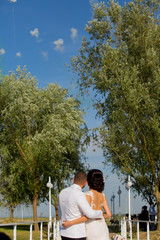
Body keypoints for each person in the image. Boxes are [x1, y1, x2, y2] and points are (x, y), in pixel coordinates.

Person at [62, 169, 111, 240]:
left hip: (91, 228)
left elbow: (87, 216)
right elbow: (109, 214)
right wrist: (98, 215)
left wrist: (70, 223)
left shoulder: (87, 195)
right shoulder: (102, 195)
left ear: (88, 182)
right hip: (102, 227)